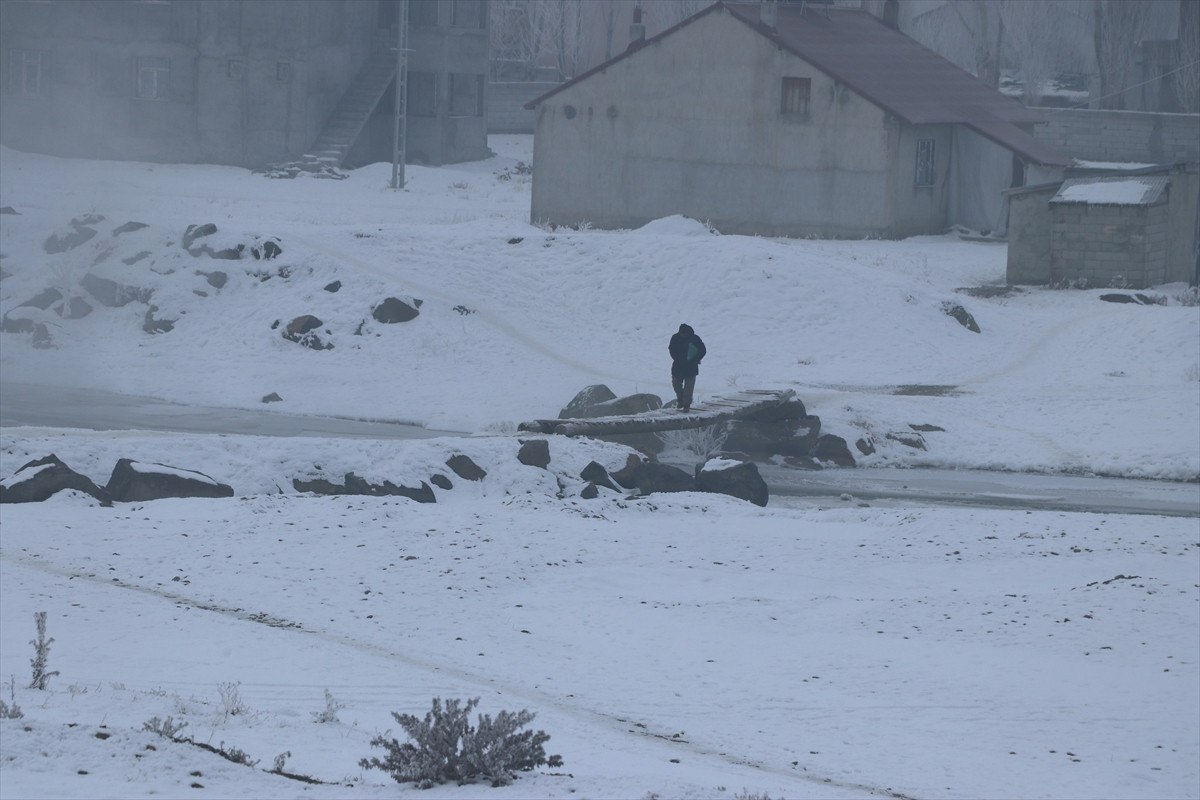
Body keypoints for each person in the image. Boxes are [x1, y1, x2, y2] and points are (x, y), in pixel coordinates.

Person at [668, 323, 706, 412]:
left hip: (691, 367)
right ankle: (680, 400)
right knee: (676, 385)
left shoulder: (695, 338)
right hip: (678, 366)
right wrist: (676, 358)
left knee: (689, 388)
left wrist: (696, 359)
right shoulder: (675, 337)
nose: (683, 335)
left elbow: (703, 350)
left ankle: (686, 405)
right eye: (681, 333)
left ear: (688, 332)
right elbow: (671, 349)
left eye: (685, 334)